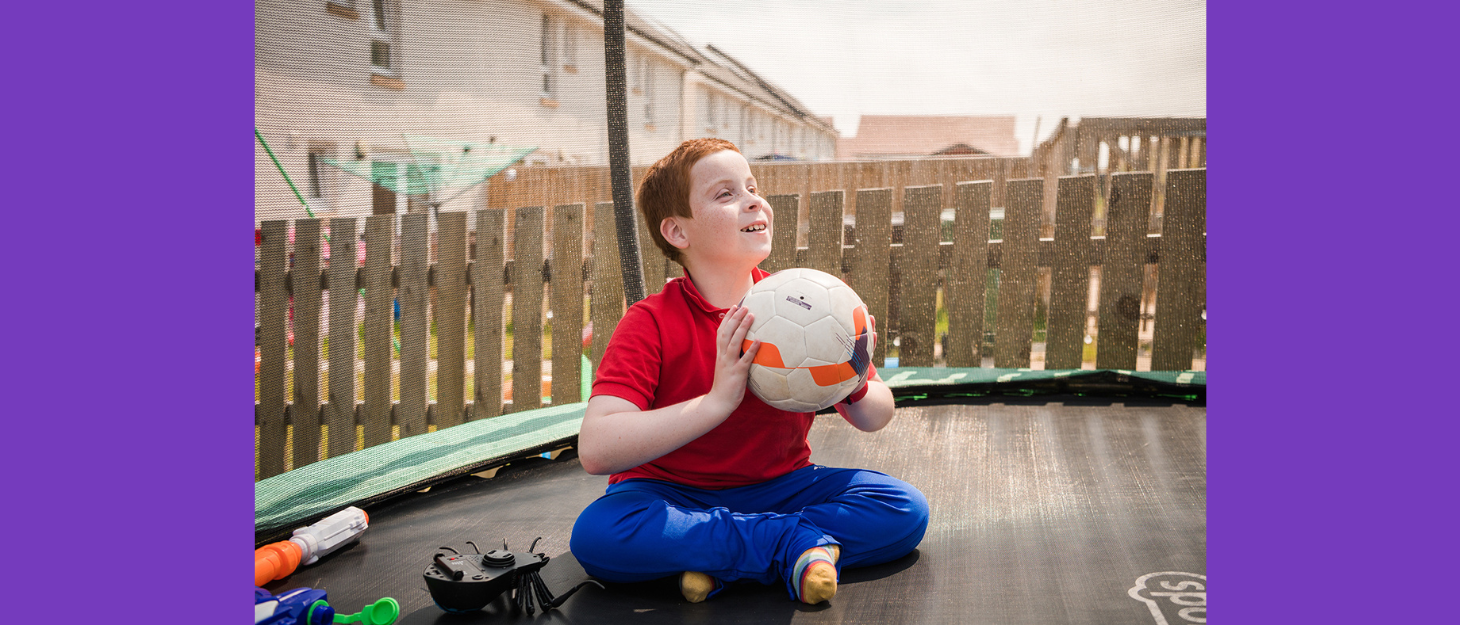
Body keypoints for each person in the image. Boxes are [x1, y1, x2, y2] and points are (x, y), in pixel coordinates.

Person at [570, 138, 928, 605]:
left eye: (752, 187)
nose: (753, 199)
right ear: (678, 232)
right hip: (673, 498)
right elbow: (597, 451)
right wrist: (717, 402)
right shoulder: (650, 321)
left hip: (783, 487)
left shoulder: (806, 305)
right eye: (726, 194)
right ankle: (788, 546)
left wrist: (855, 373)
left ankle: (725, 559)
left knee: (902, 508)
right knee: (599, 535)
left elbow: (876, 415)